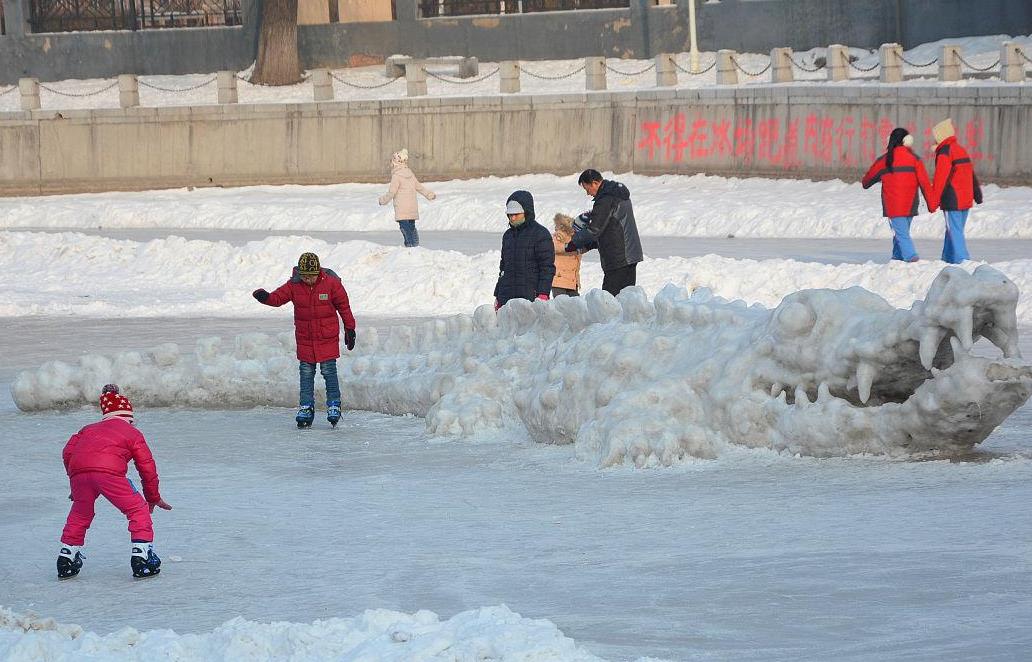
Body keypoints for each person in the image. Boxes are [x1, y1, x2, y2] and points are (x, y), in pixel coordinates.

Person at [58, 384, 172, 580]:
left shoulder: (87, 429)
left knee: (80, 513)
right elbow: (147, 466)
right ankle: (142, 557)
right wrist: (152, 497)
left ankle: (67, 557)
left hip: (79, 474)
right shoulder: (133, 433)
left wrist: (75, 481)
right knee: (138, 509)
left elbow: (68, 452)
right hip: (110, 474)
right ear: (128, 417)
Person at [252, 252, 357, 428]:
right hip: (305, 338)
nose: (308, 279)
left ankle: (334, 404)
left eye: (312, 276)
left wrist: (350, 328)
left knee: (328, 371)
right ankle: (306, 406)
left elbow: (344, 306)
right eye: (305, 276)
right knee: (306, 373)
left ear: (319, 272)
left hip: (327, 337)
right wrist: (266, 298)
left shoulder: (331, 283)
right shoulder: (294, 285)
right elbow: (278, 298)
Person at [566, 169, 643, 296]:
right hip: (629, 255)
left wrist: (574, 242)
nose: (588, 193)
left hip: (618, 257)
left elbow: (594, 229)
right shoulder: (617, 194)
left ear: (595, 183)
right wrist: (591, 244)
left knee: (609, 300)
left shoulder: (605, 200)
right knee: (626, 298)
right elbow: (609, 228)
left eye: (587, 189)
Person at [861, 127, 933, 262]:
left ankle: (911, 257)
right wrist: (932, 203)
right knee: (900, 234)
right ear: (907, 141)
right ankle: (897, 258)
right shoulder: (915, 159)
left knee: (901, 234)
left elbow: (866, 182)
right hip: (911, 204)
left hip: (893, 205)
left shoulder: (884, 160)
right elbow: (924, 183)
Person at [928, 118, 983, 264]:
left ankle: (963, 261)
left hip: (953, 199)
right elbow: (971, 174)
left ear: (941, 136)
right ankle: (947, 258)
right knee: (952, 230)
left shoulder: (945, 152)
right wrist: (977, 194)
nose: (934, 139)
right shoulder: (960, 149)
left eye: (936, 136)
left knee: (955, 231)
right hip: (965, 198)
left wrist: (933, 201)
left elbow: (940, 179)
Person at [494, 190, 555, 310]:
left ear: (526, 212)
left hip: (530, 298)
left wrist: (543, 293)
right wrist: (498, 295)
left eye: (516, 214)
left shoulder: (540, 234)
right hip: (508, 298)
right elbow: (503, 268)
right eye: (510, 215)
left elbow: (547, 267)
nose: (512, 218)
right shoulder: (508, 236)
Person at [378, 148, 436, 248]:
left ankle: (410, 246)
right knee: (411, 227)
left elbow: (392, 192)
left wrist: (382, 200)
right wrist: (429, 195)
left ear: (395, 163)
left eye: (392, 161)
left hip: (402, 208)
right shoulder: (410, 173)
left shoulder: (396, 176)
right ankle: (415, 245)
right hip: (412, 206)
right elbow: (419, 187)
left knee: (405, 228)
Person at [551, 213, 582, 297]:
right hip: (559, 279)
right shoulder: (559, 235)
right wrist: (570, 248)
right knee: (561, 305)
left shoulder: (577, 238)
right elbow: (554, 246)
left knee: (575, 305)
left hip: (572, 280)